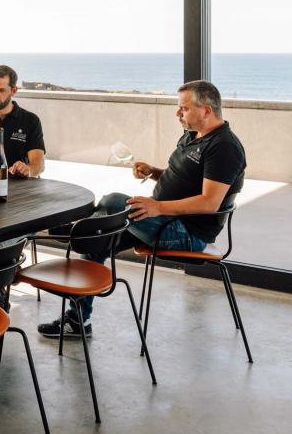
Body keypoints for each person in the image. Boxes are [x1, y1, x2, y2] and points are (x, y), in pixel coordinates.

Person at [38, 80, 246, 339]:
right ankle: (78, 319)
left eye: (184, 108)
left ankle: (72, 231)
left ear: (206, 110)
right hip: (163, 220)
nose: (177, 113)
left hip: (188, 234)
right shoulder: (192, 134)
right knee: (97, 241)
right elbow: (184, 179)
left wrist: (157, 207)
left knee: (114, 201)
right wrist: (155, 172)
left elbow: (209, 202)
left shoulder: (224, 147)